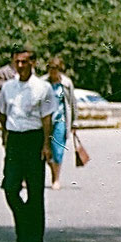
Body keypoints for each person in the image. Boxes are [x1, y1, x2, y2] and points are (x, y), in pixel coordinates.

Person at [0, 46, 55, 242]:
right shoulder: (8, 87)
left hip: (34, 138)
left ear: (33, 63)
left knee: (34, 189)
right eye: (17, 62)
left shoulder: (43, 88)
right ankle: (24, 224)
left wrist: (47, 144)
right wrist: (6, 134)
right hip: (15, 139)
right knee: (10, 187)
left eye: (24, 62)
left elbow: (47, 118)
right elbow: (1, 111)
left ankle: (32, 238)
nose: (20, 66)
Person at [45, 53, 77, 189]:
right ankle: (52, 171)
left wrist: (74, 123)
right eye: (51, 68)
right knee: (45, 150)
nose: (53, 71)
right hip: (45, 120)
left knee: (58, 150)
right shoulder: (43, 82)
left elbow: (72, 103)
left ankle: (56, 179)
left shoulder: (66, 84)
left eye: (56, 68)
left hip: (60, 120)